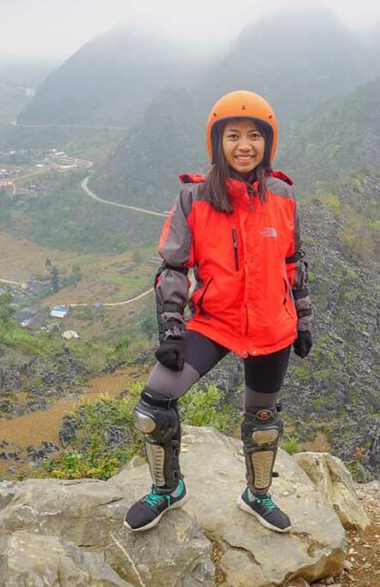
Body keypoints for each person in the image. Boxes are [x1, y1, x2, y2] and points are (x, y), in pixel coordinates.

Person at [125, 90, 313, 534]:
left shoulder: (283, 196)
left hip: (270, 325)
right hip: (214, 323)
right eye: (233, 135)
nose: (244, 145)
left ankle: (258, 495)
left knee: (262, 423)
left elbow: (294, 264)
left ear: (269, 143)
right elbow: (173, 267)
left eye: (254, 136)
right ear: (217, 142)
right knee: (154, 406)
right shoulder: (194, 198)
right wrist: (172, 329)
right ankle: (167, 489)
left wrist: (302, 319)